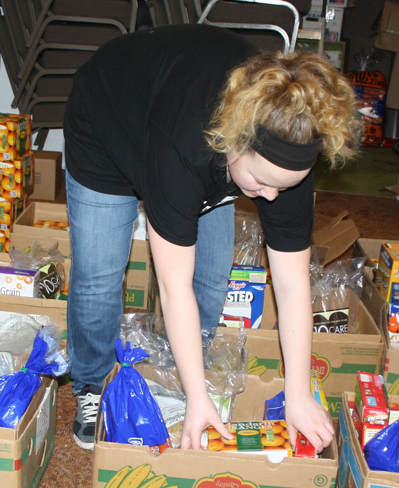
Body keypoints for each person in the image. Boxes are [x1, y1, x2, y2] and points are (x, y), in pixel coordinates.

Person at [63, 24, 358, 451]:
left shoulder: (288, 164)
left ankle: (178, 374)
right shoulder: (183, 153)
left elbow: (294, 286)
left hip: (186, 119)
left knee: (212, 274)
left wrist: (298, 394)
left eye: (286, 185)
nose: (272, 197)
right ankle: (90, 384)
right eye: (260, 180)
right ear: (234, 144)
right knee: (99, 275)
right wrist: (202, 400)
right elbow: (171, 284)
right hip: (108, 121)